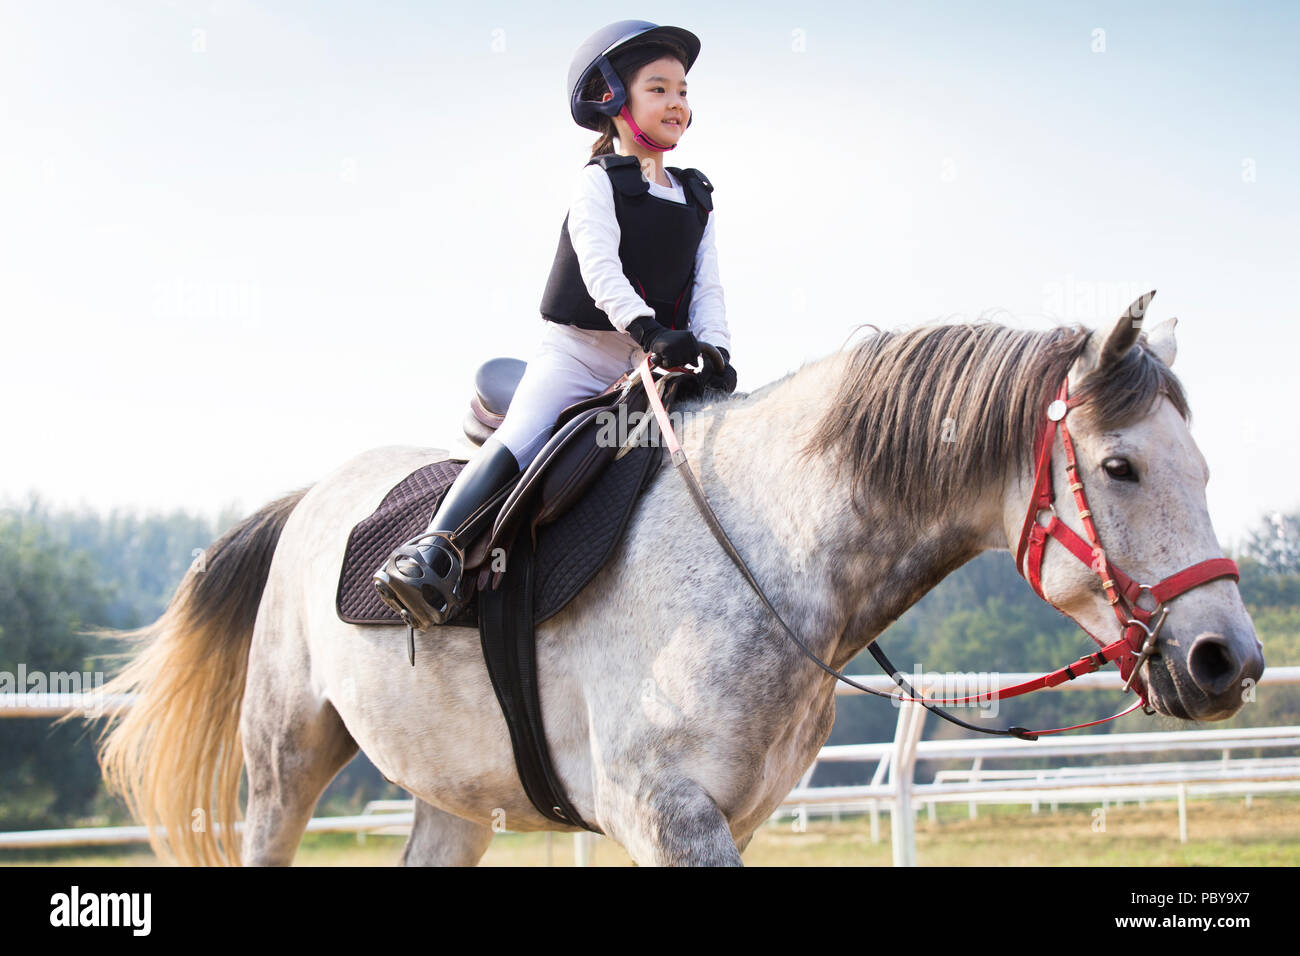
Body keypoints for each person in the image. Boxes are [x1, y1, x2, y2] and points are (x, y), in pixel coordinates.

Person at [373, 19, 737, 629]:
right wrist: (648, 329)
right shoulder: (598, 182)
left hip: (646, 368)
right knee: (526, 432)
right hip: (576, 358)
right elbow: (599, 268)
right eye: (659, 89)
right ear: (614, 102)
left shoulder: (697, 196)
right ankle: (434, 548)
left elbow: (709, 287)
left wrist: (717, 350)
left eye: (682, 91)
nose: (677, 102)